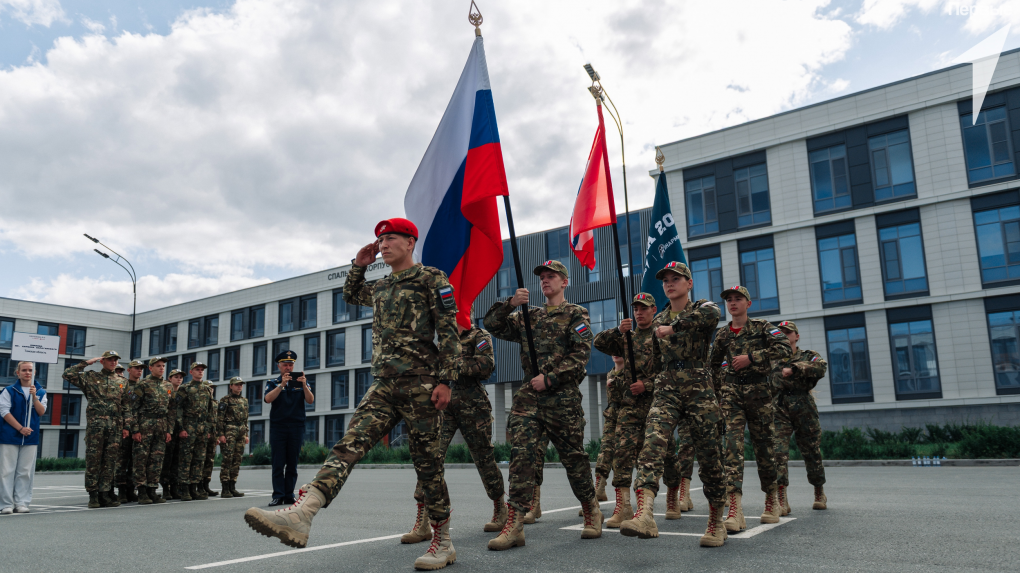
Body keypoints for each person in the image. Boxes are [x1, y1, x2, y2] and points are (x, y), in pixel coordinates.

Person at [244, 217, 460, 571]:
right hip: (383, 385)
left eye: (391, 238)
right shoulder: (381, 286)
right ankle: (304, 513)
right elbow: (350, 294)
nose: (384, 244)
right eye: (380, 239)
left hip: (421, 384)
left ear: (410, 243)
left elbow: (450, 332)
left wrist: (445, 381)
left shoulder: (431, 278)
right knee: (349, 445)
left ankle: (443, 540)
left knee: (428, 465)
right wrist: (358, 267)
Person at [484, 259, 603, 551]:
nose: (545, 281)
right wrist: (511, 303)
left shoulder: (576, 313)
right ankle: (515, 523)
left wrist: (550, 379)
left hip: (561, 397)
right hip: (528, 397)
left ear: (565, 282)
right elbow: (491, 325)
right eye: (542, 277)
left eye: (552, 276)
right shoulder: (528, 315)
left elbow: (581, 354)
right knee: (521, 456)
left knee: (573, 458)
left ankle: (591, 508)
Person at [619, 261, 727, 547]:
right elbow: (651, 362)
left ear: (689, 283)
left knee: (709, 457)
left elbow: (712, 315)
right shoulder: (657, 321)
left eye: (676, 278)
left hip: (698, 386)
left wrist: (674, 326)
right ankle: (645, 514)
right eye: (665, 279)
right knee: (652, 444)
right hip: (666, 386)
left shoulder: (702, 308)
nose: (669, 283)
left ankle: (716, 521)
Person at [402, 317, 503, 543]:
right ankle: (424, 519)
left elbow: (486, 366)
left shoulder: (479, 336)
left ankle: (499, 507)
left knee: (484, 458)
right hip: (443, 407)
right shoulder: (443, 342)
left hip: (473, 405)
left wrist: (454, 367)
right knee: (430, 457)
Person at [709, 285, 791, 532]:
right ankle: (735, 508)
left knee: (764, 448)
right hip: (732, 395)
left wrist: (752, 358)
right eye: (729, 300)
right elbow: (713, 364)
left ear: (748, 303)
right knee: (731, 448)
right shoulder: (722, 334)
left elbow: (785, 348)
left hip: (759, 394)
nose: (733, 303)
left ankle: (771, 501)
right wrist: (718, 391)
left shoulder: (763, 327)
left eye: (738, 299)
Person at [591, 293, 661, 528]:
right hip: (630, 406)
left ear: (654, 310)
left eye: (644, 308)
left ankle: (662, 502)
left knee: (654, 456)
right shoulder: (626, 337)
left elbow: (668, 370)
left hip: (655, 403)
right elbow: (598, 342)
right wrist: (618, 331)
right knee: (621, 455)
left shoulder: (660, 335)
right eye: (636, 309)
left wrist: (647, 384)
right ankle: (623, 507)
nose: (639, 312)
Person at [771, 320, 829, 513]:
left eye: (789, 333)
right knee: (778, 453)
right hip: (779, 407)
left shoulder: (808, 356)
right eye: (782, 334)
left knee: (811, 451)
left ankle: (819, 491)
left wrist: (795, 369)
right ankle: (781, 498)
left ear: (796, 336)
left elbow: (821, 367)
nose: (785, 337)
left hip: (804, 407)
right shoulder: (772, 359)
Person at [62, 351, 127, 509]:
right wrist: (87, 363)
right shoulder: (91, 377)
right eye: (110, 360)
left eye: (115, 360)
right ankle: (93, 495)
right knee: (93, 461)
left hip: (115, 426)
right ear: (102, 361)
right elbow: (67, 374)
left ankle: (104, 493)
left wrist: (127, 426)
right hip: (96, 426)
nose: (113, 362)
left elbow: (127, 405)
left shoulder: (123, 382)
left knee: (109, 461)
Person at [262, 350, 313, 506]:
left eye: (291, 365)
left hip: (296, 426)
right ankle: (278, 495)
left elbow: (310, 400)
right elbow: (267, 399)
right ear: (279, 366)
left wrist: (304, 385)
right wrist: (282, 385)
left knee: (292, 463)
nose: (288, 368)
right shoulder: (272, 382)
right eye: (285, 365)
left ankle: (289, 495)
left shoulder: (301, 382)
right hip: (279, 427)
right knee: (278, 463)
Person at [0, 362, 47, 514]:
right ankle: (5, 504)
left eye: (30, 370)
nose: (28, 373)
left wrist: (34, 397)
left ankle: (21, 502)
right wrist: (20, 428)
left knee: (25, 471)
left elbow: (41, 412)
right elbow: (4, 411)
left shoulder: (40, 391)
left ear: (35, 373)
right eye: (24, 370)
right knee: (6, 471)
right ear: (17, 373)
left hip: (30, 437)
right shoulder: (9, 390)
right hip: (9, 436)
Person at [130, 357, 173, 505]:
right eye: (158, 366)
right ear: (150, 368)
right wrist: (135, 429)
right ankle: (142, 491)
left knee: (157, 459)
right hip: (145, 424)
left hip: (161, 425)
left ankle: (152, 490)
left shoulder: (168, 385)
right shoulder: (142, 385)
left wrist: (169, 430)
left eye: (163, 366)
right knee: (141, 459)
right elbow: (133, 408)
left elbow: (171, 410)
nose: (161, 368)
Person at [177, 361, 211, 501]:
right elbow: (178, 409)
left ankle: (194, 487)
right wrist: (181, 428)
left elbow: (210, 411)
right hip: (189, 426)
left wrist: (208, 429)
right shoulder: (184, 388)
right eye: (197, 369)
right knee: (186, 458)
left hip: (202, 428)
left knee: (199, 459)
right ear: (191, 372)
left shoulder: (206, 389)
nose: (200, 371)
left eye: (202, 370)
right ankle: (184, 489)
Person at [217, 376, 249, 498]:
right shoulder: (225, 400)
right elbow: (219, 419)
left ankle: (232, 486)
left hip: (240, 432)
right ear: (231, 386)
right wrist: (221, 434)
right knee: (227, 460)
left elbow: (246, 419)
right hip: (229, 431)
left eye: (241, 384)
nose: (239, 386)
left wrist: (246, 434)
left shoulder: (244, 400)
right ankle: (225, 488)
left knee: (237, 460)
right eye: (236, 384)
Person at [117, 360, 144, 503]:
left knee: (136, 462)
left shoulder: (144, 386)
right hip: (126, 428)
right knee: (122, 460)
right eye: (136, 368)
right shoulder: (124, 385)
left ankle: (131, 489)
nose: (139, 371)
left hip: (140, 428)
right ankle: (121, 491)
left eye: (141, 369)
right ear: (129, 370)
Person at [161, 369, 186, 500]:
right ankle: (165, 488)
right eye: (176, 377)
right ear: (170, 378)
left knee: (177, 460)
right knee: (167, 460)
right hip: (167, 429)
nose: (179, 379)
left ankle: (175, 488)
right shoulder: (166, 391)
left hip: (179, 430)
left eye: (181, 377)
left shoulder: (182, 393)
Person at [201, 378, 221, 498]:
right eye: (208, 388)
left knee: (210, 461)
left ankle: (206, 485)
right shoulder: (202, 403)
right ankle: (198, 485)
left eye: (212, 388)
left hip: (213, 436)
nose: (211, 390)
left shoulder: (215, 403)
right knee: (200, 461)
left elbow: (217, 421)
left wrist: (217, 435)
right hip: (203, 434)